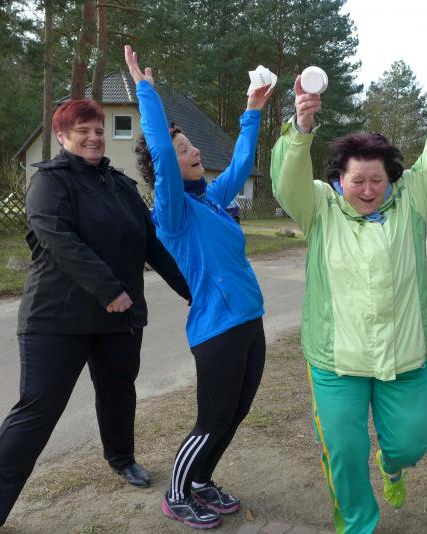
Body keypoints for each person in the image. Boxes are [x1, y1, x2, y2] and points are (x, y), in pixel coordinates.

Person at [270, 42, 427, 534]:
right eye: (357, 180)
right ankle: (357, 524)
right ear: (338, 179)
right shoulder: (319, 209)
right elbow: (286, 182)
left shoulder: (411, 201)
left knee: (411, 443)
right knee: (343, 451)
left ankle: (392, 465)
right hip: (335, 361)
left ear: (392, 179)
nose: (367, 190)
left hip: (402, 356)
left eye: (377, 181)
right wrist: (300, 128)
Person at [0, 98, 191, 534]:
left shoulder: (122, 187)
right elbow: (60, 241)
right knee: (37, 411)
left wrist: (192, 292)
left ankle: (122, 459)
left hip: (118, 320)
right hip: (57, 319)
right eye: (83, 131)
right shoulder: (49, 183)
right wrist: (110, 290)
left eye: (99, 130)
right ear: (62, 136)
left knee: (118, 393)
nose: (94, 138)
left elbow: (152, 246)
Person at [125, 45, 272, 529]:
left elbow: (242, 161)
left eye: (192, 146)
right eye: (185, 148)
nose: (194, 152)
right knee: (211, 420)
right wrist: (145, 92)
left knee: (235, 414)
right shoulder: (172, 212)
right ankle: (176, 494)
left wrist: (252, 109)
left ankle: (202, 482)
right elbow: (161, 154)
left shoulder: (210, 198)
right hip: (216, 330)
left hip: (249, 321)